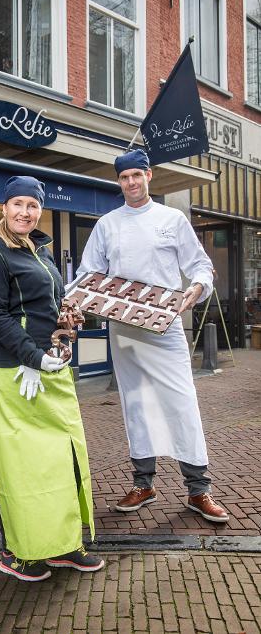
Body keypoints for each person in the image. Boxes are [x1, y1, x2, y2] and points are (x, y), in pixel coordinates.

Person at [76, 149, 229, 523]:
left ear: (149, 176)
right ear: (119, 182)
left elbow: (200, 266)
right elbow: (87, 274)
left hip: (166, 327)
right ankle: (143, 484)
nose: (130, 182)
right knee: (137, 404)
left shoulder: (172, 219)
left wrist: (198, 287)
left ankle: (199, 490)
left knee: (182, 401)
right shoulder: (107, 224)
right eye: (123, 178)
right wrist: (75, 305)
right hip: (124, 330)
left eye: (136, 176)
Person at [0, 175, 105, 582]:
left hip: (51, 369)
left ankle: (64, 545)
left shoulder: (42, 253)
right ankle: (20, 554)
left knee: (61, 460)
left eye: (32, 206)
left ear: (39, 210)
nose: (25, 212)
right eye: (18, 204)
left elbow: (51, 305)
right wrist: (31, 357)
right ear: (5, 207)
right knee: (22, 468)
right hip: (11, 374)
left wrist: (70, 318)